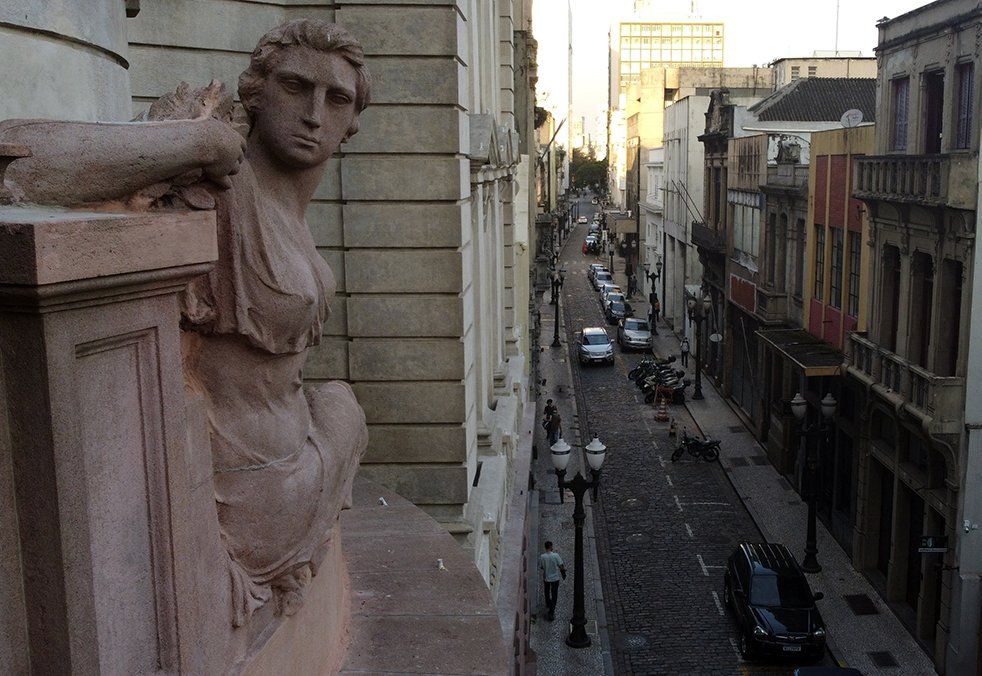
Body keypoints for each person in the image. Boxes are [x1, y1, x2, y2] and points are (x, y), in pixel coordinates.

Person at [538, 541, 566, 621]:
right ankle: (551, 611)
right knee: (554, 594)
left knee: (546, 591)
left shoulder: (542, 556)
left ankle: (548, 603)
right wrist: (564, 571)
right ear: (550, 547)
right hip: (555, 578)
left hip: (546, 578)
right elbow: (561, 565)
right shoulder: (556, 555)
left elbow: (541, 567)